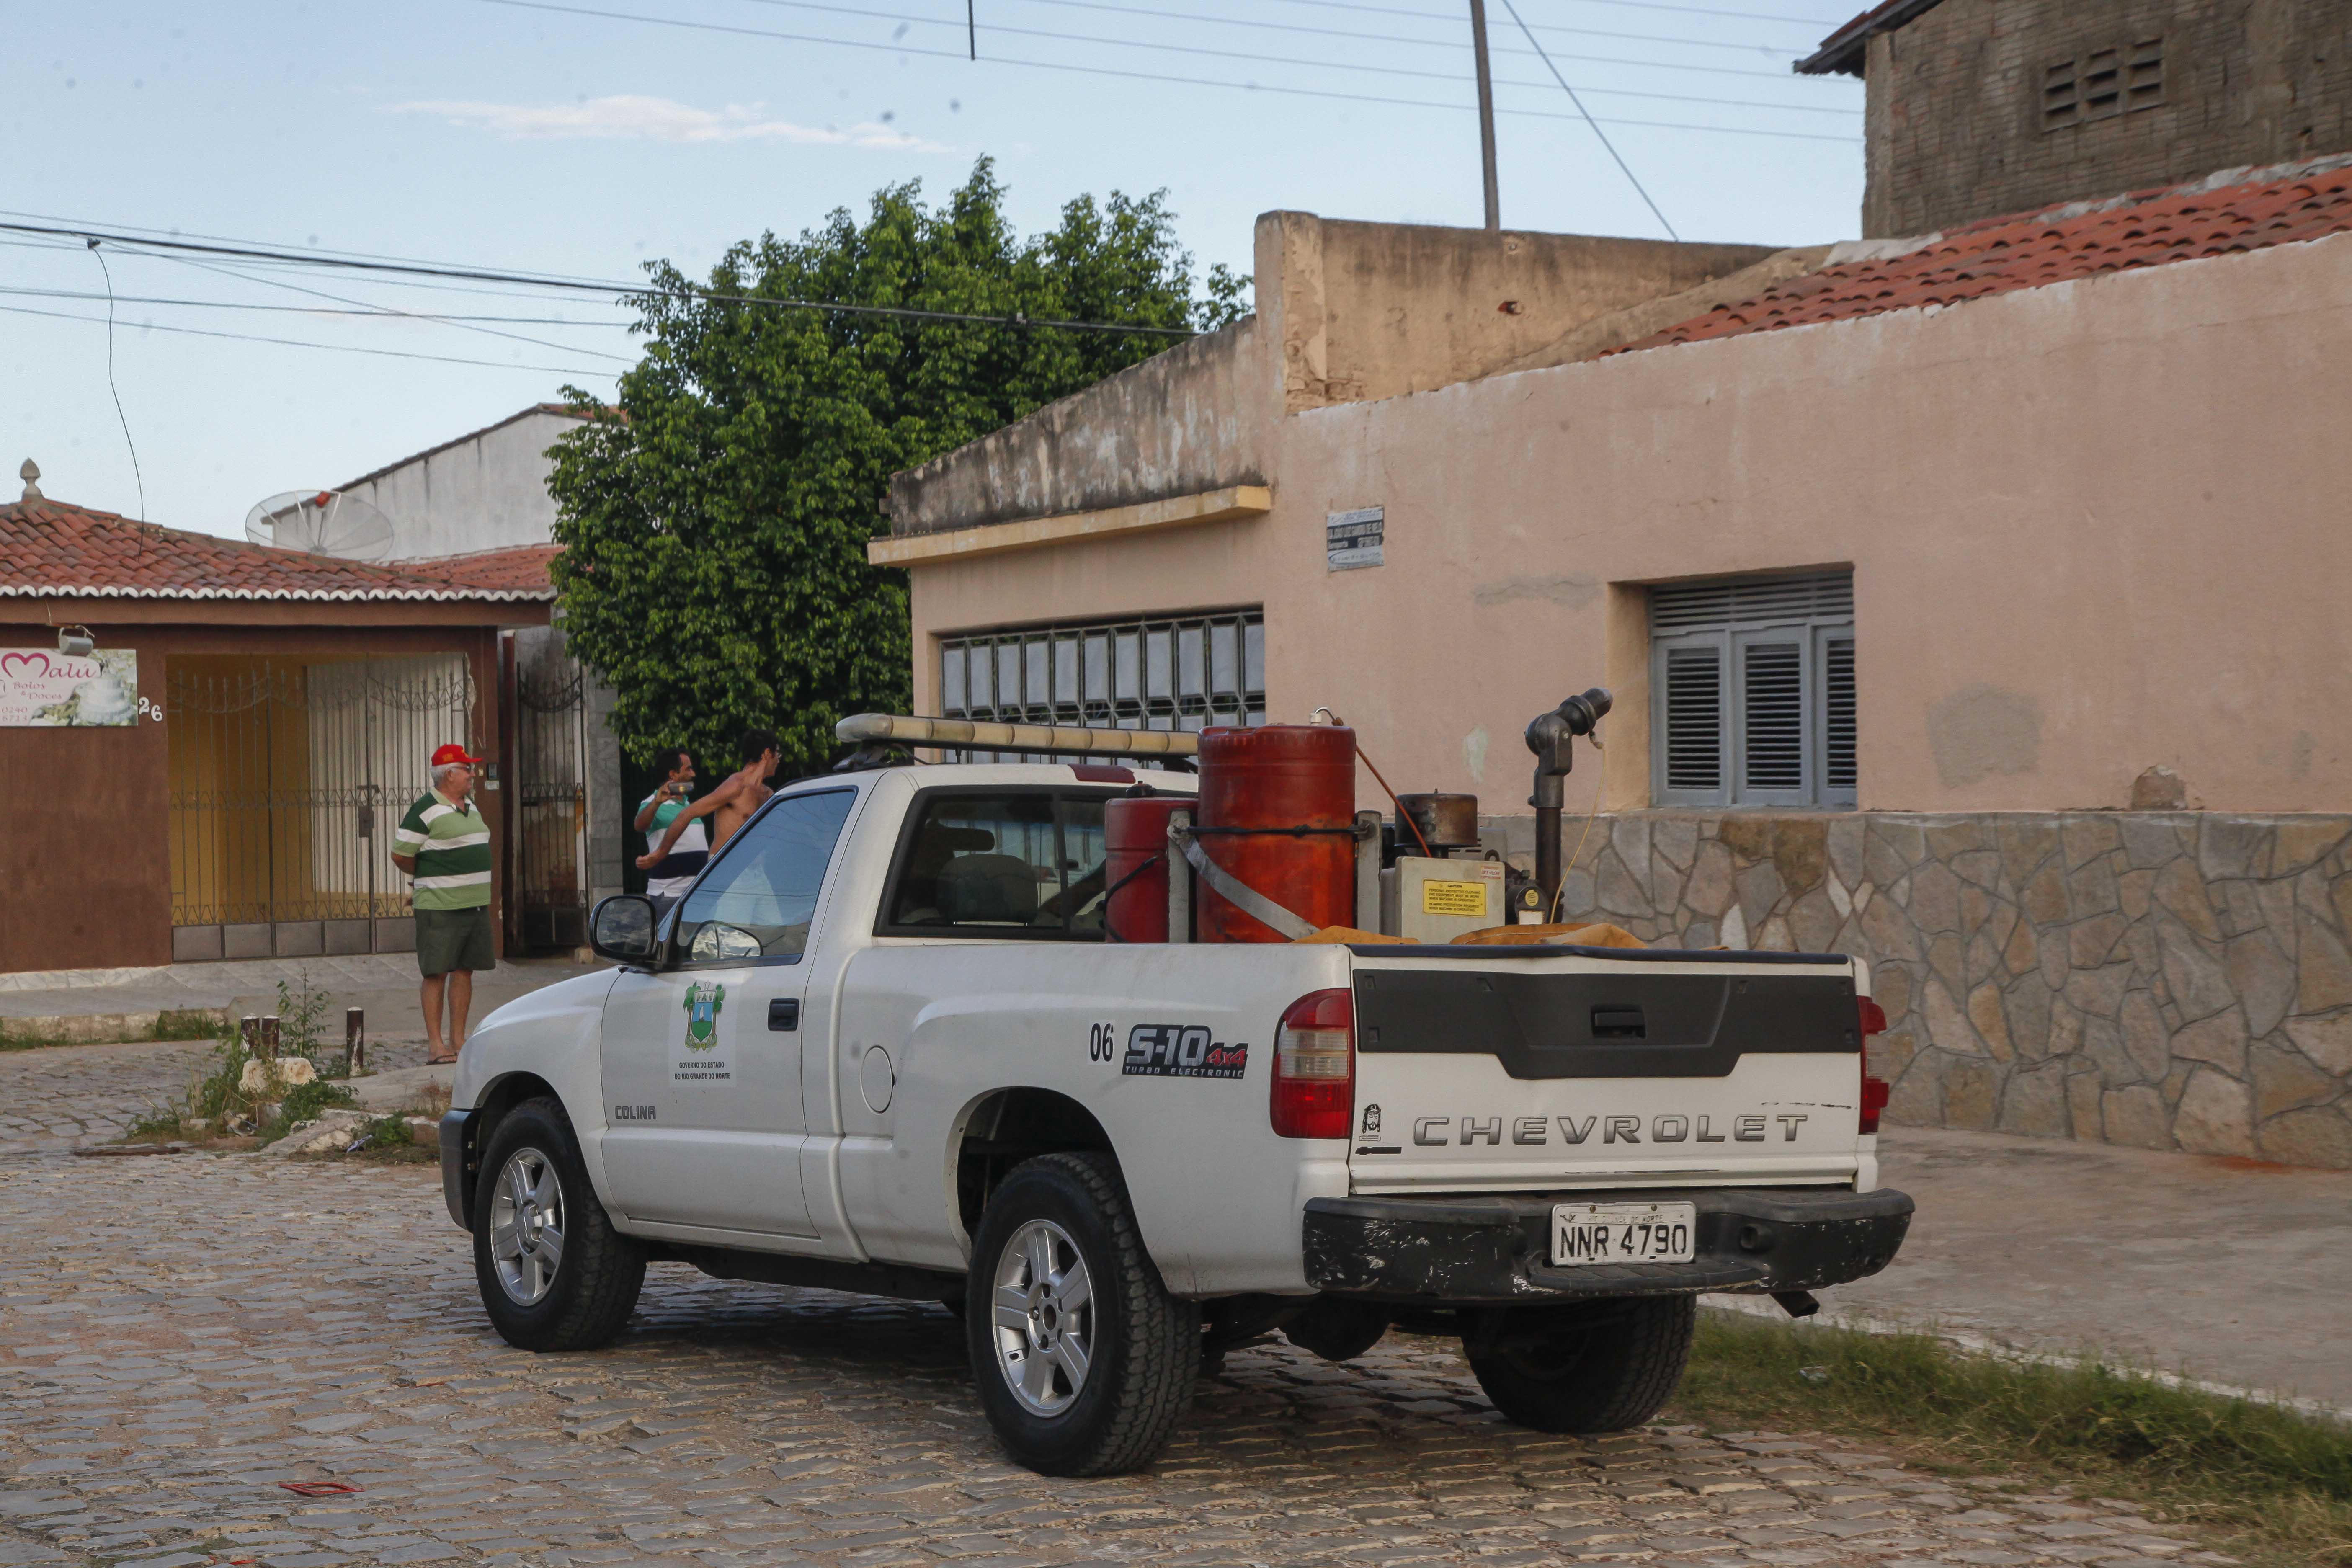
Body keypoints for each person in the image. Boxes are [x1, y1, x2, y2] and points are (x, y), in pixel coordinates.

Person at [391, 743, 495, 1065]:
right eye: (468, 769)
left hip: (475, 904)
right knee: (436, 972)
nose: (473, 774)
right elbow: (401, 854)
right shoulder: (425, 809)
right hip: (439, 904)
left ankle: (459, 1041)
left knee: (464, 971)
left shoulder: (471, 806)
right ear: (450, 774)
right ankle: (437, 1046)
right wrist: (428, 876)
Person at [638, 727, 779, 874]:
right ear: (767, 754)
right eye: (778, 753)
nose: (779, 760)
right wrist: (660, 854)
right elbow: (688, 814)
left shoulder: (768, 794)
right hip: (727, 868)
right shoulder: (737, 785)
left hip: (756, 872)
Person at [634, 746, 706, 920]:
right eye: (688, 769)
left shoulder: (690, 806)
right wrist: (657, 803)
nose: (694, 774)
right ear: (673, 774)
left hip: (695, 894)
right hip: (668, 896)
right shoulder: (652, 803)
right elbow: (640, 825)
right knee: (666, 946)